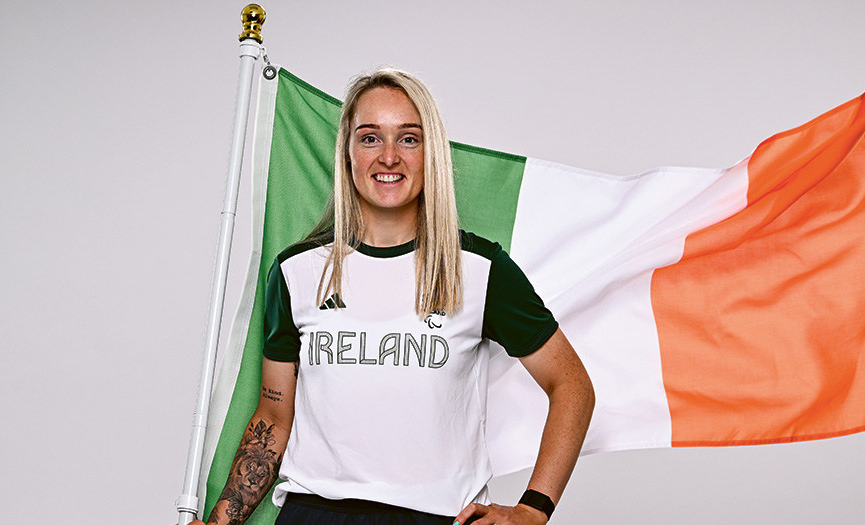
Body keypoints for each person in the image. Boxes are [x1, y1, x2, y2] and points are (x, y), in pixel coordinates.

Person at [192, 68, 595, 525]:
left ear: (431, 154)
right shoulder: (295, 271)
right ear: (347, 154)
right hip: (315, 515)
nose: (389, 157)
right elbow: (273, 416)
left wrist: (533, 509)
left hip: (435, 516)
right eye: (369, 138)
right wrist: (220, 523)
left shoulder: (480, 269)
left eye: (408, 139)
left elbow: (573, 386)